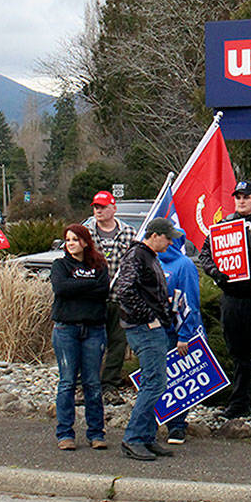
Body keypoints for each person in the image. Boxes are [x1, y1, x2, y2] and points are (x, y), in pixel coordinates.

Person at [199, 180, 251, 419]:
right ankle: (238, 404)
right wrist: (215, 272)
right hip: (231, 297)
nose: (242, 201)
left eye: (246, 196)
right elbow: (206, 254)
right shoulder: (224, 225)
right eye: (238, 197)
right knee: (238, 355)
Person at [114, 217, 184, 461]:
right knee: (155, 383)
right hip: (144, 328)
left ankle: (146, 437)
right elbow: (124, 290)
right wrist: (149, 315)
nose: (169, 243)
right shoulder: (137, 256)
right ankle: (133, 438)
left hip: (150, 326)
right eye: (167, 238)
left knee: (155, 382)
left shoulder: (148, 256)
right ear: (154, 235)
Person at [49, 224, 110, 451]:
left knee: (92, 383)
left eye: (75, 239)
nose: (71, 243)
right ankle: (65, 433)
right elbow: (61, 288)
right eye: (68, 239)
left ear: (85, 241)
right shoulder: (60, 265)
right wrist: (88, 285)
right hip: (66, 329)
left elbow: (103, 290)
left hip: (94, 329)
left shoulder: (99, 264)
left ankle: (96, 432)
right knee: (67, 382)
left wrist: (79, 286)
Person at [83, 191, 136, 404]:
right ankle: (86, 384)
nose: (98, 211)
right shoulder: (85, 234)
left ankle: (110, 385)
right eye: (96, 207)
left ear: (114, 208)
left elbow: (135, 265)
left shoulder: (129, 233)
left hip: (118, 298)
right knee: (89, 342)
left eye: (103, 207)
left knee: (117, 343)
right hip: (91, 299)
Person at [162, 236, 203, 445]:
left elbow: (191, 301)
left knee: (179, 379)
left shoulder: (184, 265)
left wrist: (186, 335)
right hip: (153, 330)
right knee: (156, 378)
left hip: (176, 330)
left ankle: (177, 426)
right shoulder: (150, 260)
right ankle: (154, 420)